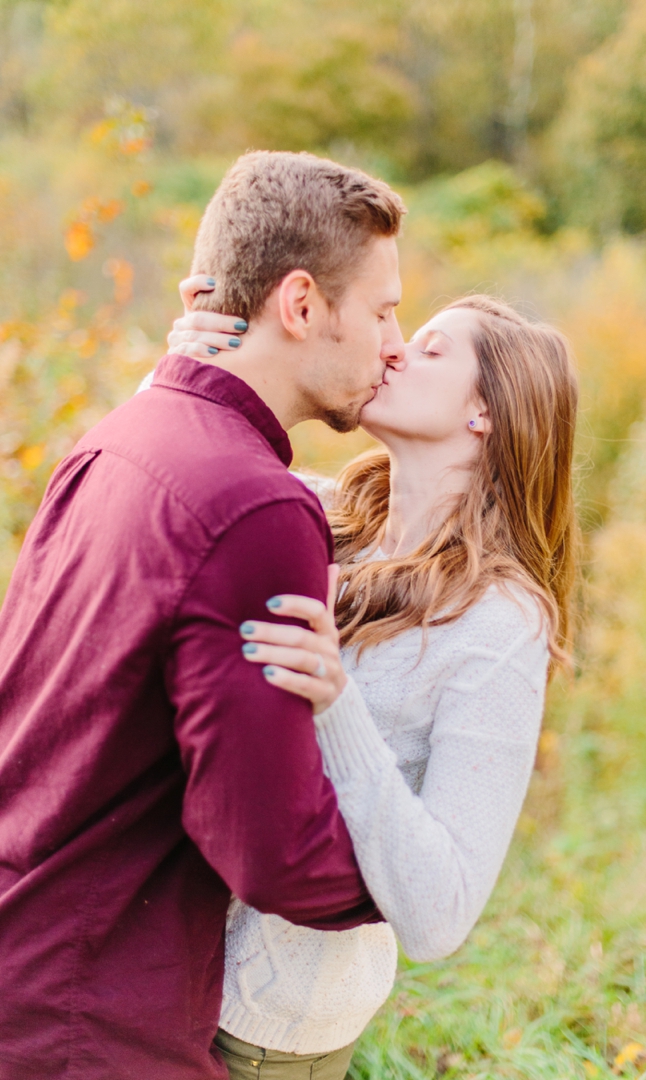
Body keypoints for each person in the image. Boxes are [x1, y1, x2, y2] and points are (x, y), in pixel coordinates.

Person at [0, 151, 408, 1080]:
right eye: (383, 310)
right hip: (97, 1021)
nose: (395, 342)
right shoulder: (257, 506)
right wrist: (429, 883)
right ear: (300, 305)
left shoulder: (117, 437)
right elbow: (274, 852)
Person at [164, 284, 579, 1080]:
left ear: (484, 412)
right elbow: (160, 492)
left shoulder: (499, 624)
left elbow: (441, 916)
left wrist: (336, 703)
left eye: (429, 350)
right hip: (158, 970)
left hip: (267, 1031)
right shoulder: (325, 517)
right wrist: (190, 371)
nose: (393, 350)